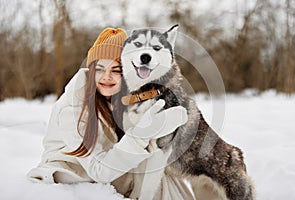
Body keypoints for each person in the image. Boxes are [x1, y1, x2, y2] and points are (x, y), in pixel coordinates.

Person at [27, 27, 195, 199]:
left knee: (167, 175)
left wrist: (163, 131)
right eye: (99, 69)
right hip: (71, 180)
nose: (106, 77)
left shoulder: (123, 101)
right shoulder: (72, 109)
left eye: (116, 70)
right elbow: (100, 171)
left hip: (111, 176)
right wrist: (142, 134)